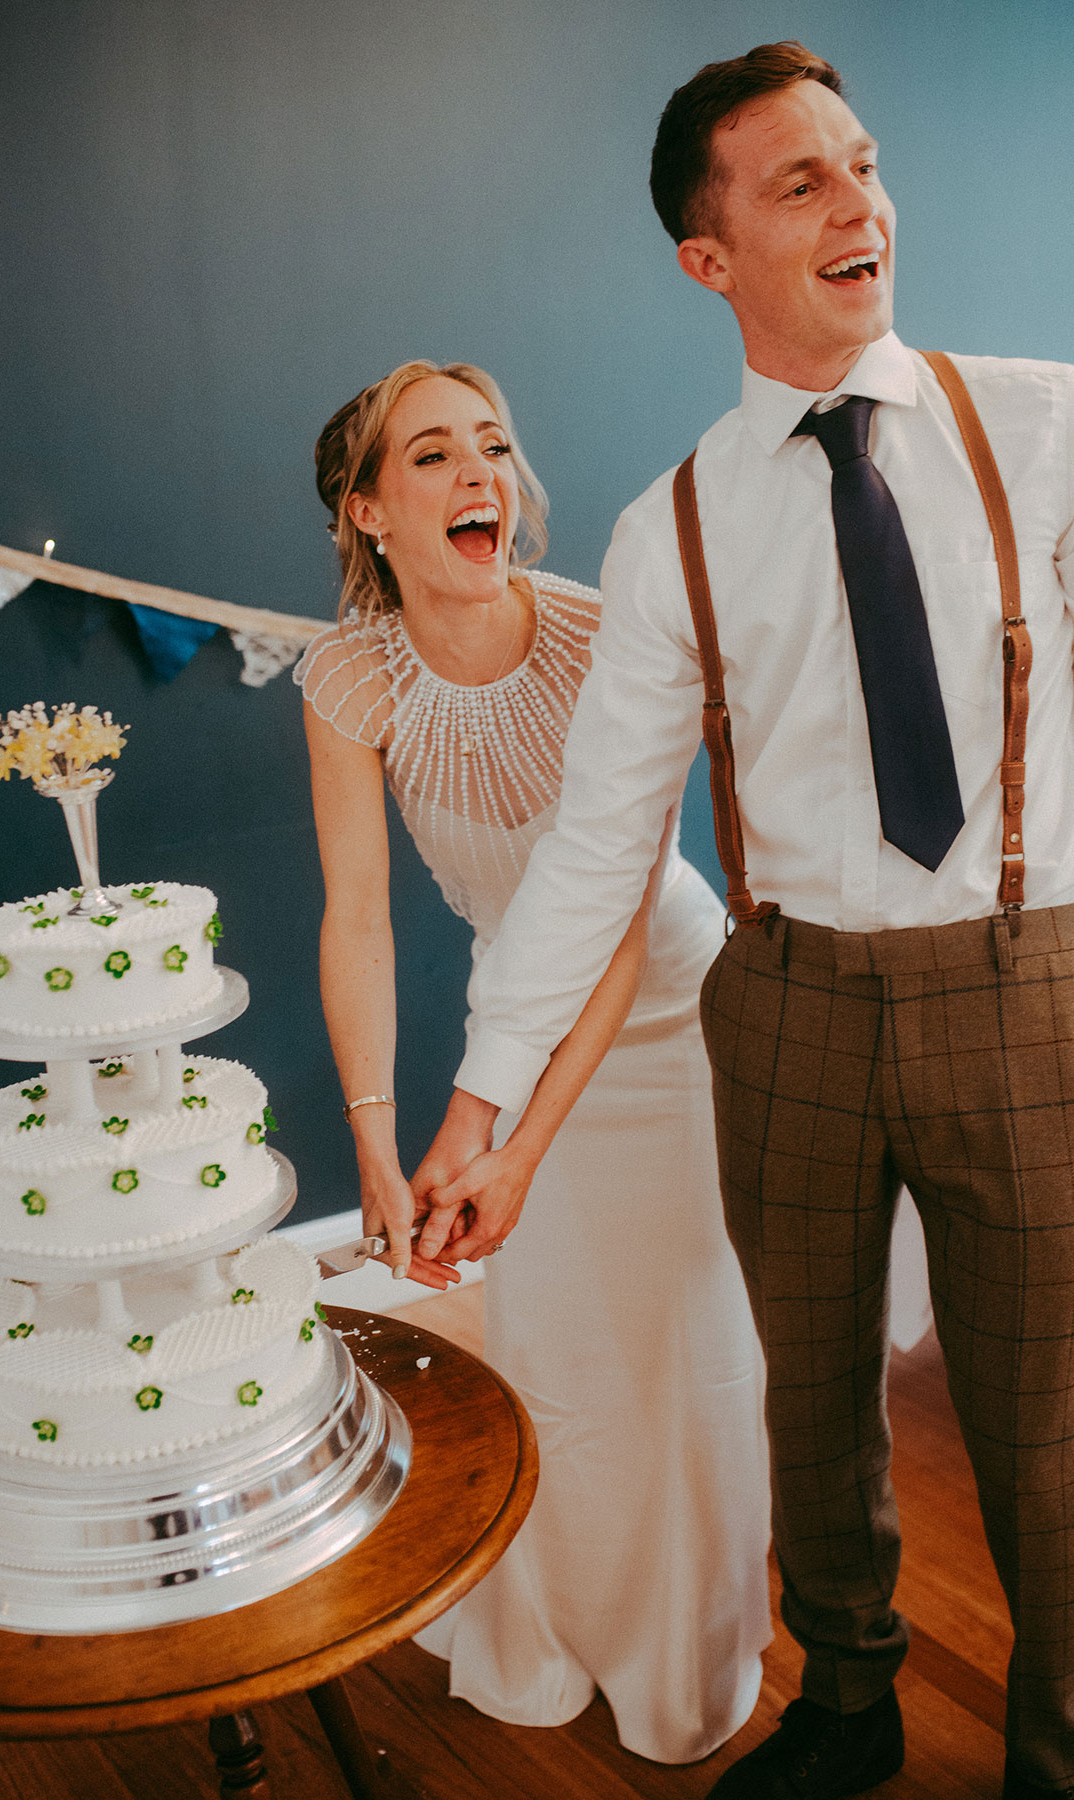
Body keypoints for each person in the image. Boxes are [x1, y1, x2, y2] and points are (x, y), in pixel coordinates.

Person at [414, 42, 1074, 1800]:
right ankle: (849, 1704)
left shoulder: (1041, 422)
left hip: (1026, 988)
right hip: (782, 1005)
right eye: (802, 184)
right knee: (808, 1398)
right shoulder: (669, 530)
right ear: (709, 259)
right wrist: (482, 1106)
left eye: (861, 166)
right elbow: (595, 851)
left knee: (1050, 1428)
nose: (860, 205)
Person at [294, 359, 770, 1762]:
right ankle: (553, 1628)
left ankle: (685, 1660)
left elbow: (616, 922)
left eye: (491, 446)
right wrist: (377, 1144)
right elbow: (361, 920)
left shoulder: (604, 634)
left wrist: (519, 1142)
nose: (477, 475)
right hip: (511, 1024)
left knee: (692, 1356)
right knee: (558, 1354)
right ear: (368, 510)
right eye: (430, 456)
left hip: (678, 1020)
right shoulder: (345, 681)